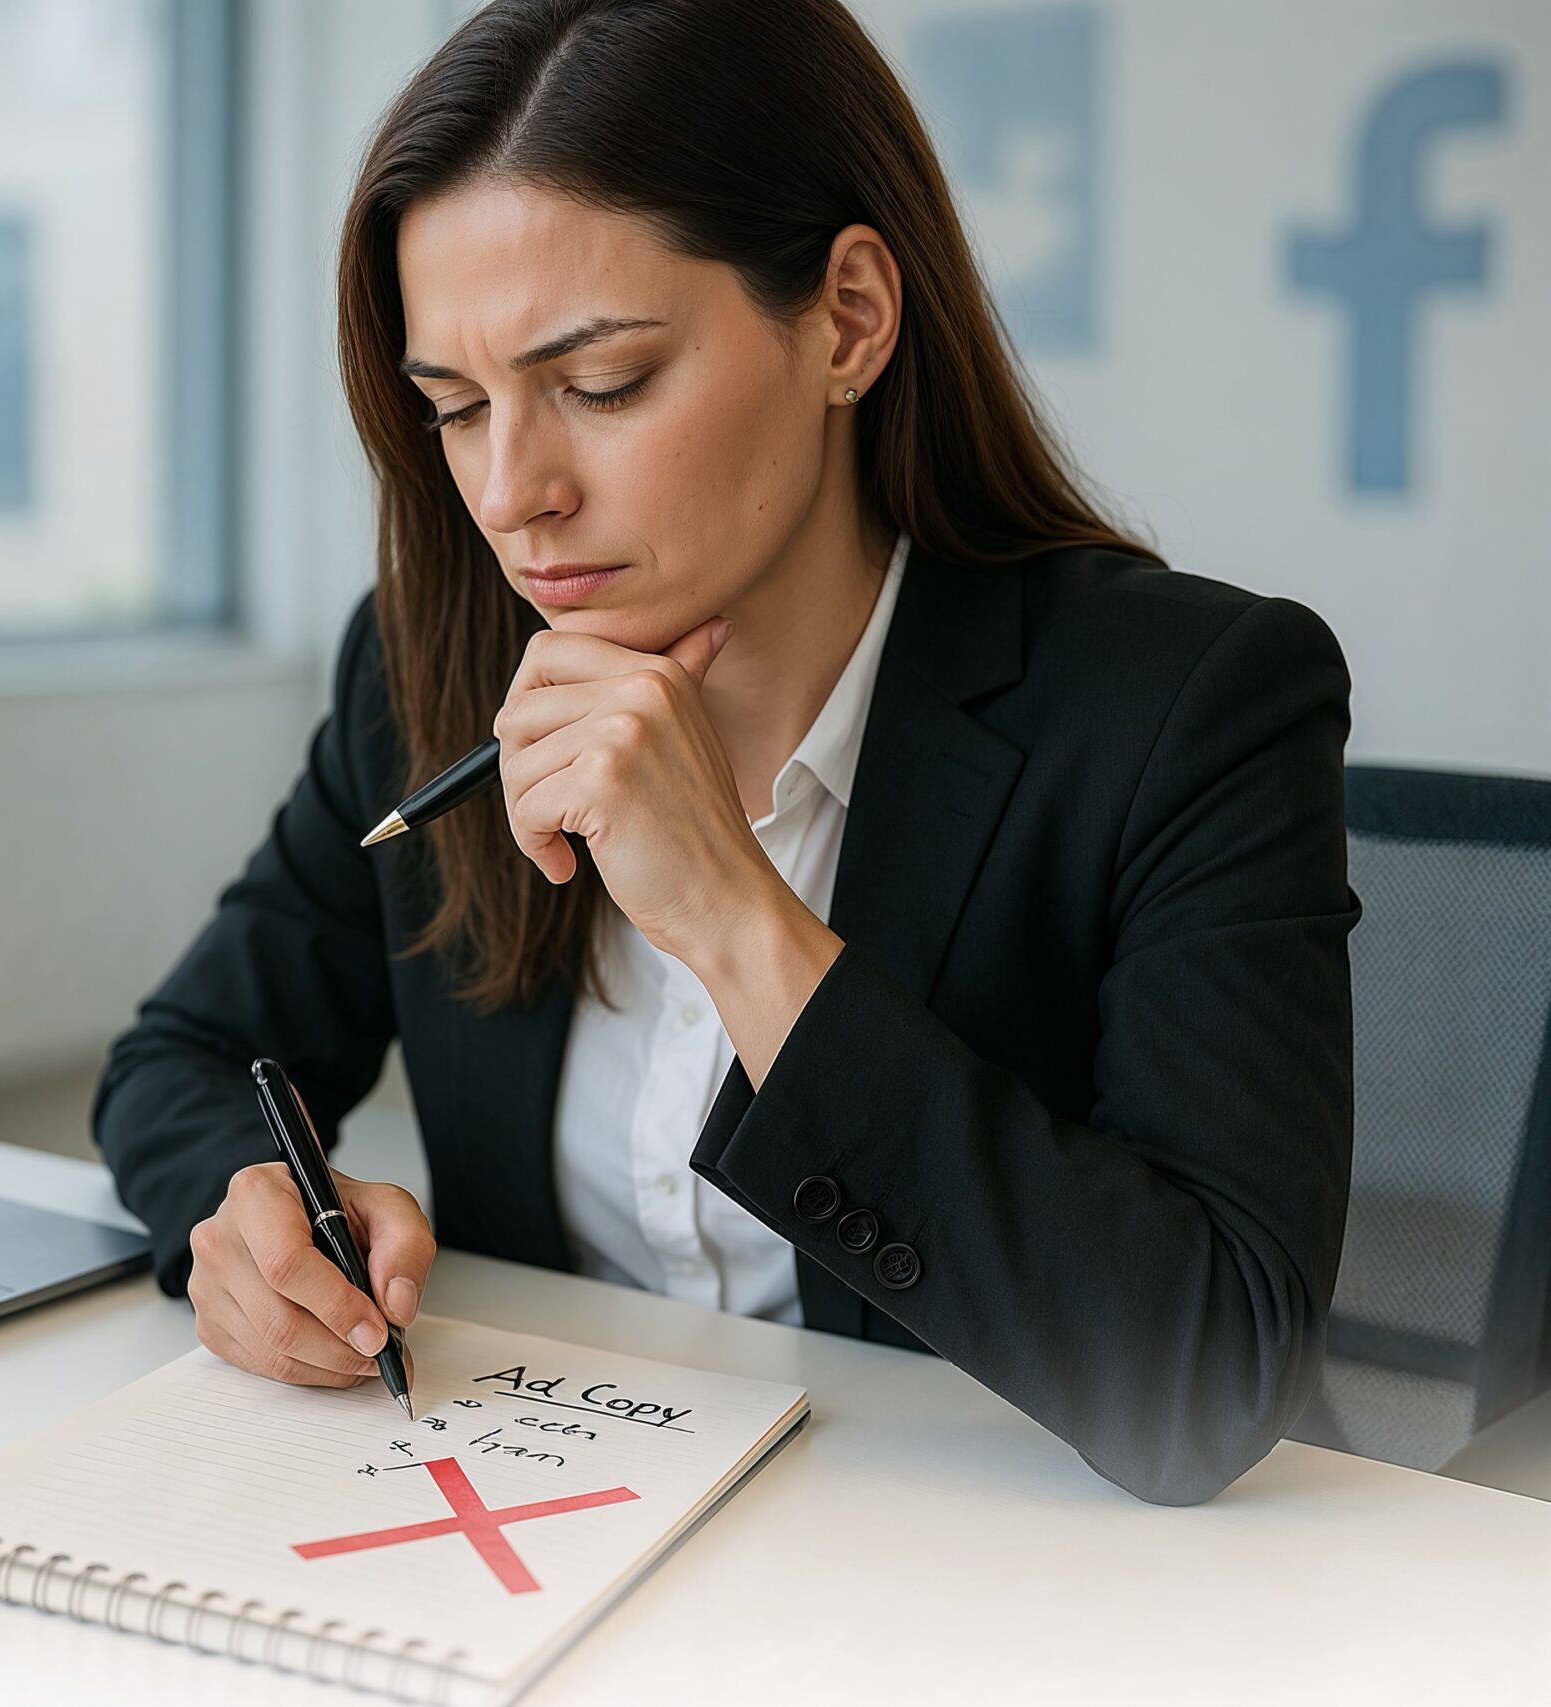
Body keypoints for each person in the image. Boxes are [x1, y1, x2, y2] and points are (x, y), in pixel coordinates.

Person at [93, 0, 1357, 1506]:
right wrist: (241, 1225)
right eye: (456, 408)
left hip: (1013, 1579)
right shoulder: (429, 665)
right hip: (569, 1541)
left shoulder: (1187, 702)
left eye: (603, 384)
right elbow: (181, 1065)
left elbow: (1213, 1373)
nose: (513, 493)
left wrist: (739, 922)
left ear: (848, 320)